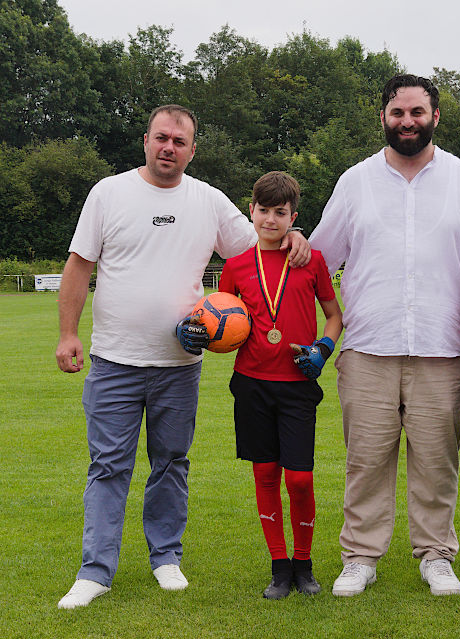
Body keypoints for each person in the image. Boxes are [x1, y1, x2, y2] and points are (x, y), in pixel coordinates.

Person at [54, 105, 310, 610]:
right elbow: (79, 265)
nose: (169, 147)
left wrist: (295, 235)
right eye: (161, 138)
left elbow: (260, 246)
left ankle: (166, 558)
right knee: (108, 466)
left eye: (180, 141)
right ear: (146, 141)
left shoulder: (208, 201)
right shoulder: (109, 193)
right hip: (114, 362)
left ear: (193, 151)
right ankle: (95, 571)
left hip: (179, 366)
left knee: (171, 463)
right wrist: (67, 333)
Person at [309, 74, 460, 597]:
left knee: (436, 462)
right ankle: (360, 557)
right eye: (398, 113)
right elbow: (320, 257)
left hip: (444, 349)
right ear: (383, 118)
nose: (408, 122)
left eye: (418, 112)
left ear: (435, 117)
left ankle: (436, 555)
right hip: (369, 346)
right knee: (366, 460)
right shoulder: (355, 181)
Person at [216, 171, 342, 599]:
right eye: (263, 210)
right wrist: (197, 332)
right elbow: (223, 328)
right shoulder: (233, 268)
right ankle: (279, 566)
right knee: (266, 474)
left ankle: (304, 564)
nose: (271, 219)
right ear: (250, 210)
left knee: (300, 479)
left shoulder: (311, 260)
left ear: (293, 216)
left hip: (297, 385)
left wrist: (323, 349)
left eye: (281, 212)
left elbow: (334, 316)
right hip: (251, 384)